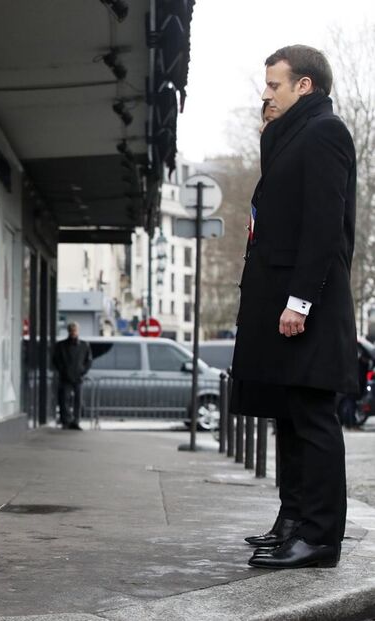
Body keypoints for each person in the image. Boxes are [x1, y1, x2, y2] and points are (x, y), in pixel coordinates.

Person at [231, 45, 356, 570]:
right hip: (281, 305)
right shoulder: (290, 137)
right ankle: (293, 522)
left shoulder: (327, 133)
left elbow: (325, 228)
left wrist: (299, 301)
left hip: (309, 308)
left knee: (313, 419)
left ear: (304, 85)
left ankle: (320, 538)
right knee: (289, 418)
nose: (266, 93)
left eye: (274, 85)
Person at [52, 323, 93, 430]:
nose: (73, 332)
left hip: (78, 376)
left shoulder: (84, 345)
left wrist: (82, 371)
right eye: (71, 330)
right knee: (64, 399)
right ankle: (66, 421)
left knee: (78, 400)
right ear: (68, 331)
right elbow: (56, 360)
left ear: (78, 331)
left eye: (75, 330)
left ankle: (76, 421)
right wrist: (63, 370)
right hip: (66, 376)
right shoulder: (61, 345)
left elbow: (88, 361)